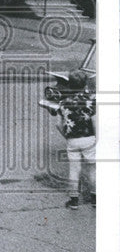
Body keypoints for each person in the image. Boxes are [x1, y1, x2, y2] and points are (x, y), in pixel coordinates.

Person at [39, 70, 96, 209]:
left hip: (72, 140)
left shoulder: (63, 103)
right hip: (89, 138)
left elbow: (58, 124)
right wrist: (97, 138)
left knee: (74, 170)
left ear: (69, 85)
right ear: (85, 85)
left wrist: (67, 136)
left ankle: (74, 201)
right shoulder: (91, 102)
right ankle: (95, 199)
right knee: (92, 169)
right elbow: (95, 122)